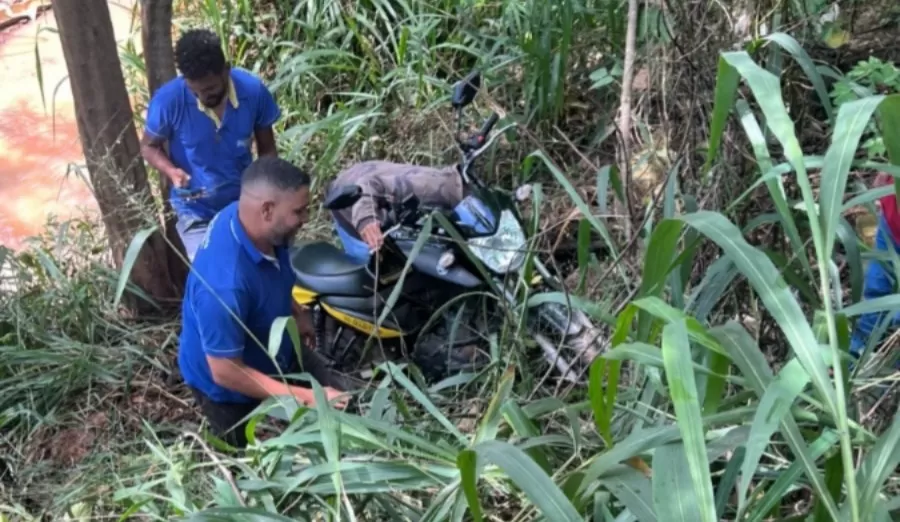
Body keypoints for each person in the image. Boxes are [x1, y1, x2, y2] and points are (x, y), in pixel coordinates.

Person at [179, 156, 350, 448]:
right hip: (226, 383)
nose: (305, 219)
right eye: (299, 211)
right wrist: (307, 398)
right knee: (245, 454)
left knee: (339, 401)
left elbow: (274, 272)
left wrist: (296, 311)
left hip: (277, 341)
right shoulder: (225, 286)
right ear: (267, 210)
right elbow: (225, 370)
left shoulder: (250, 221)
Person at [140, 28, 281, 261]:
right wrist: (171, 171)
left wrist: (263, 189)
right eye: (195, 91)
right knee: (214, 274)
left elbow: (267, 148)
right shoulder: (168, 101)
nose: (204, 97)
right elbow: (148, 146)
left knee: (262, 268)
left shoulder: (253, 92)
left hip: (245, 203)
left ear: (226, 70)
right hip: (195, 211)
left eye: (210, 89)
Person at [327, 160, 466, 264]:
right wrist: (366, 220)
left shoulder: (451, 184)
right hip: (344, 198)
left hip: (368, 175)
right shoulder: (424, 188)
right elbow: (366, 183)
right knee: (370, 266)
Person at [850, 171, 900, 369]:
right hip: (891, 225)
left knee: (895, 316)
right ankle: (856, 355)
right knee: (876, 290)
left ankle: (890, 376)